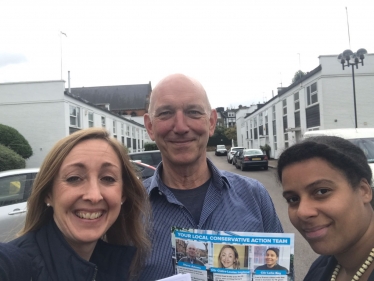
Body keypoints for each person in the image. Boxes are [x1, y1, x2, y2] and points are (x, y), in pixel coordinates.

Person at [140, 73, 283, 280]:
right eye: (165, 113)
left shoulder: (255, 197)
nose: (180, 127)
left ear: (212, 122)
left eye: (193, 112)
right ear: (150, 126)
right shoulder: (128, 208)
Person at [8, 128, 151, 281]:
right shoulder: (15, 264)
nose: (94, 196)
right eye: (74, 178)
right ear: (48, 194)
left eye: (108, 178)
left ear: (123, 193)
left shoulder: (121, 266)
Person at [277, 136, 374, 281]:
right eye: (293, 199)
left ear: (363, 190)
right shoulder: (321, 267)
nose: (303, 212)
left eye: (322, 191)